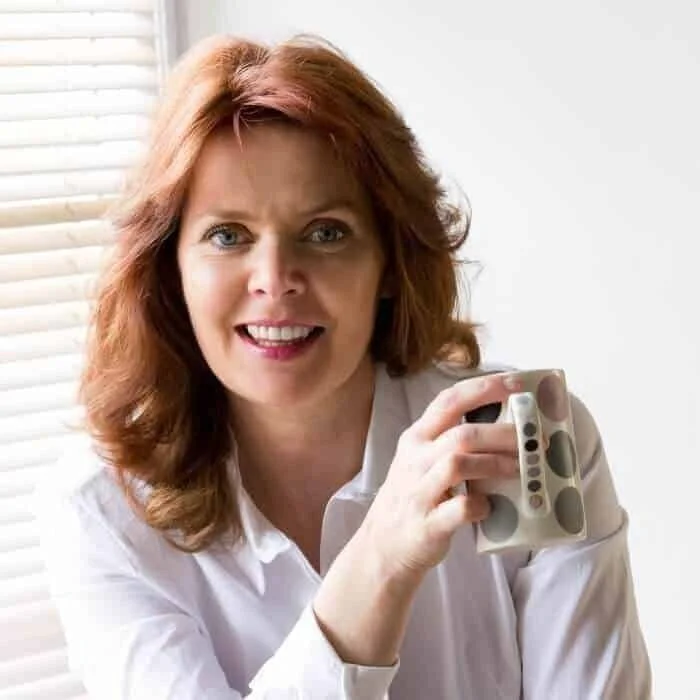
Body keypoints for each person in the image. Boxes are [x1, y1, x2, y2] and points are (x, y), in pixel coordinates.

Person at [35, 34, 651, 699]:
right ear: (170, 271)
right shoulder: (103, 510)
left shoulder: (519, 440)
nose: (275, 278)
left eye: (325, 232)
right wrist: (379, 561)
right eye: (228, 236)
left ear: (388, 262)